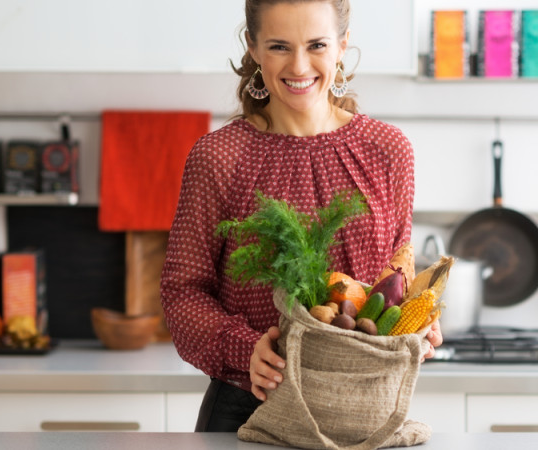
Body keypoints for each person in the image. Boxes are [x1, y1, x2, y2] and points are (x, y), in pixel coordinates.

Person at [159, 0, 442, 433]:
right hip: (249, 406)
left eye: (316, 45)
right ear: (253, 47)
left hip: (361, 408)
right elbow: (182, 292)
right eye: (278, 46)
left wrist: (417, 326)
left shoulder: (388, 151)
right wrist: (246, 349)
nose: (299, 65)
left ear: (342, 45)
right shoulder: (219, 157)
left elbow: (396, 276)